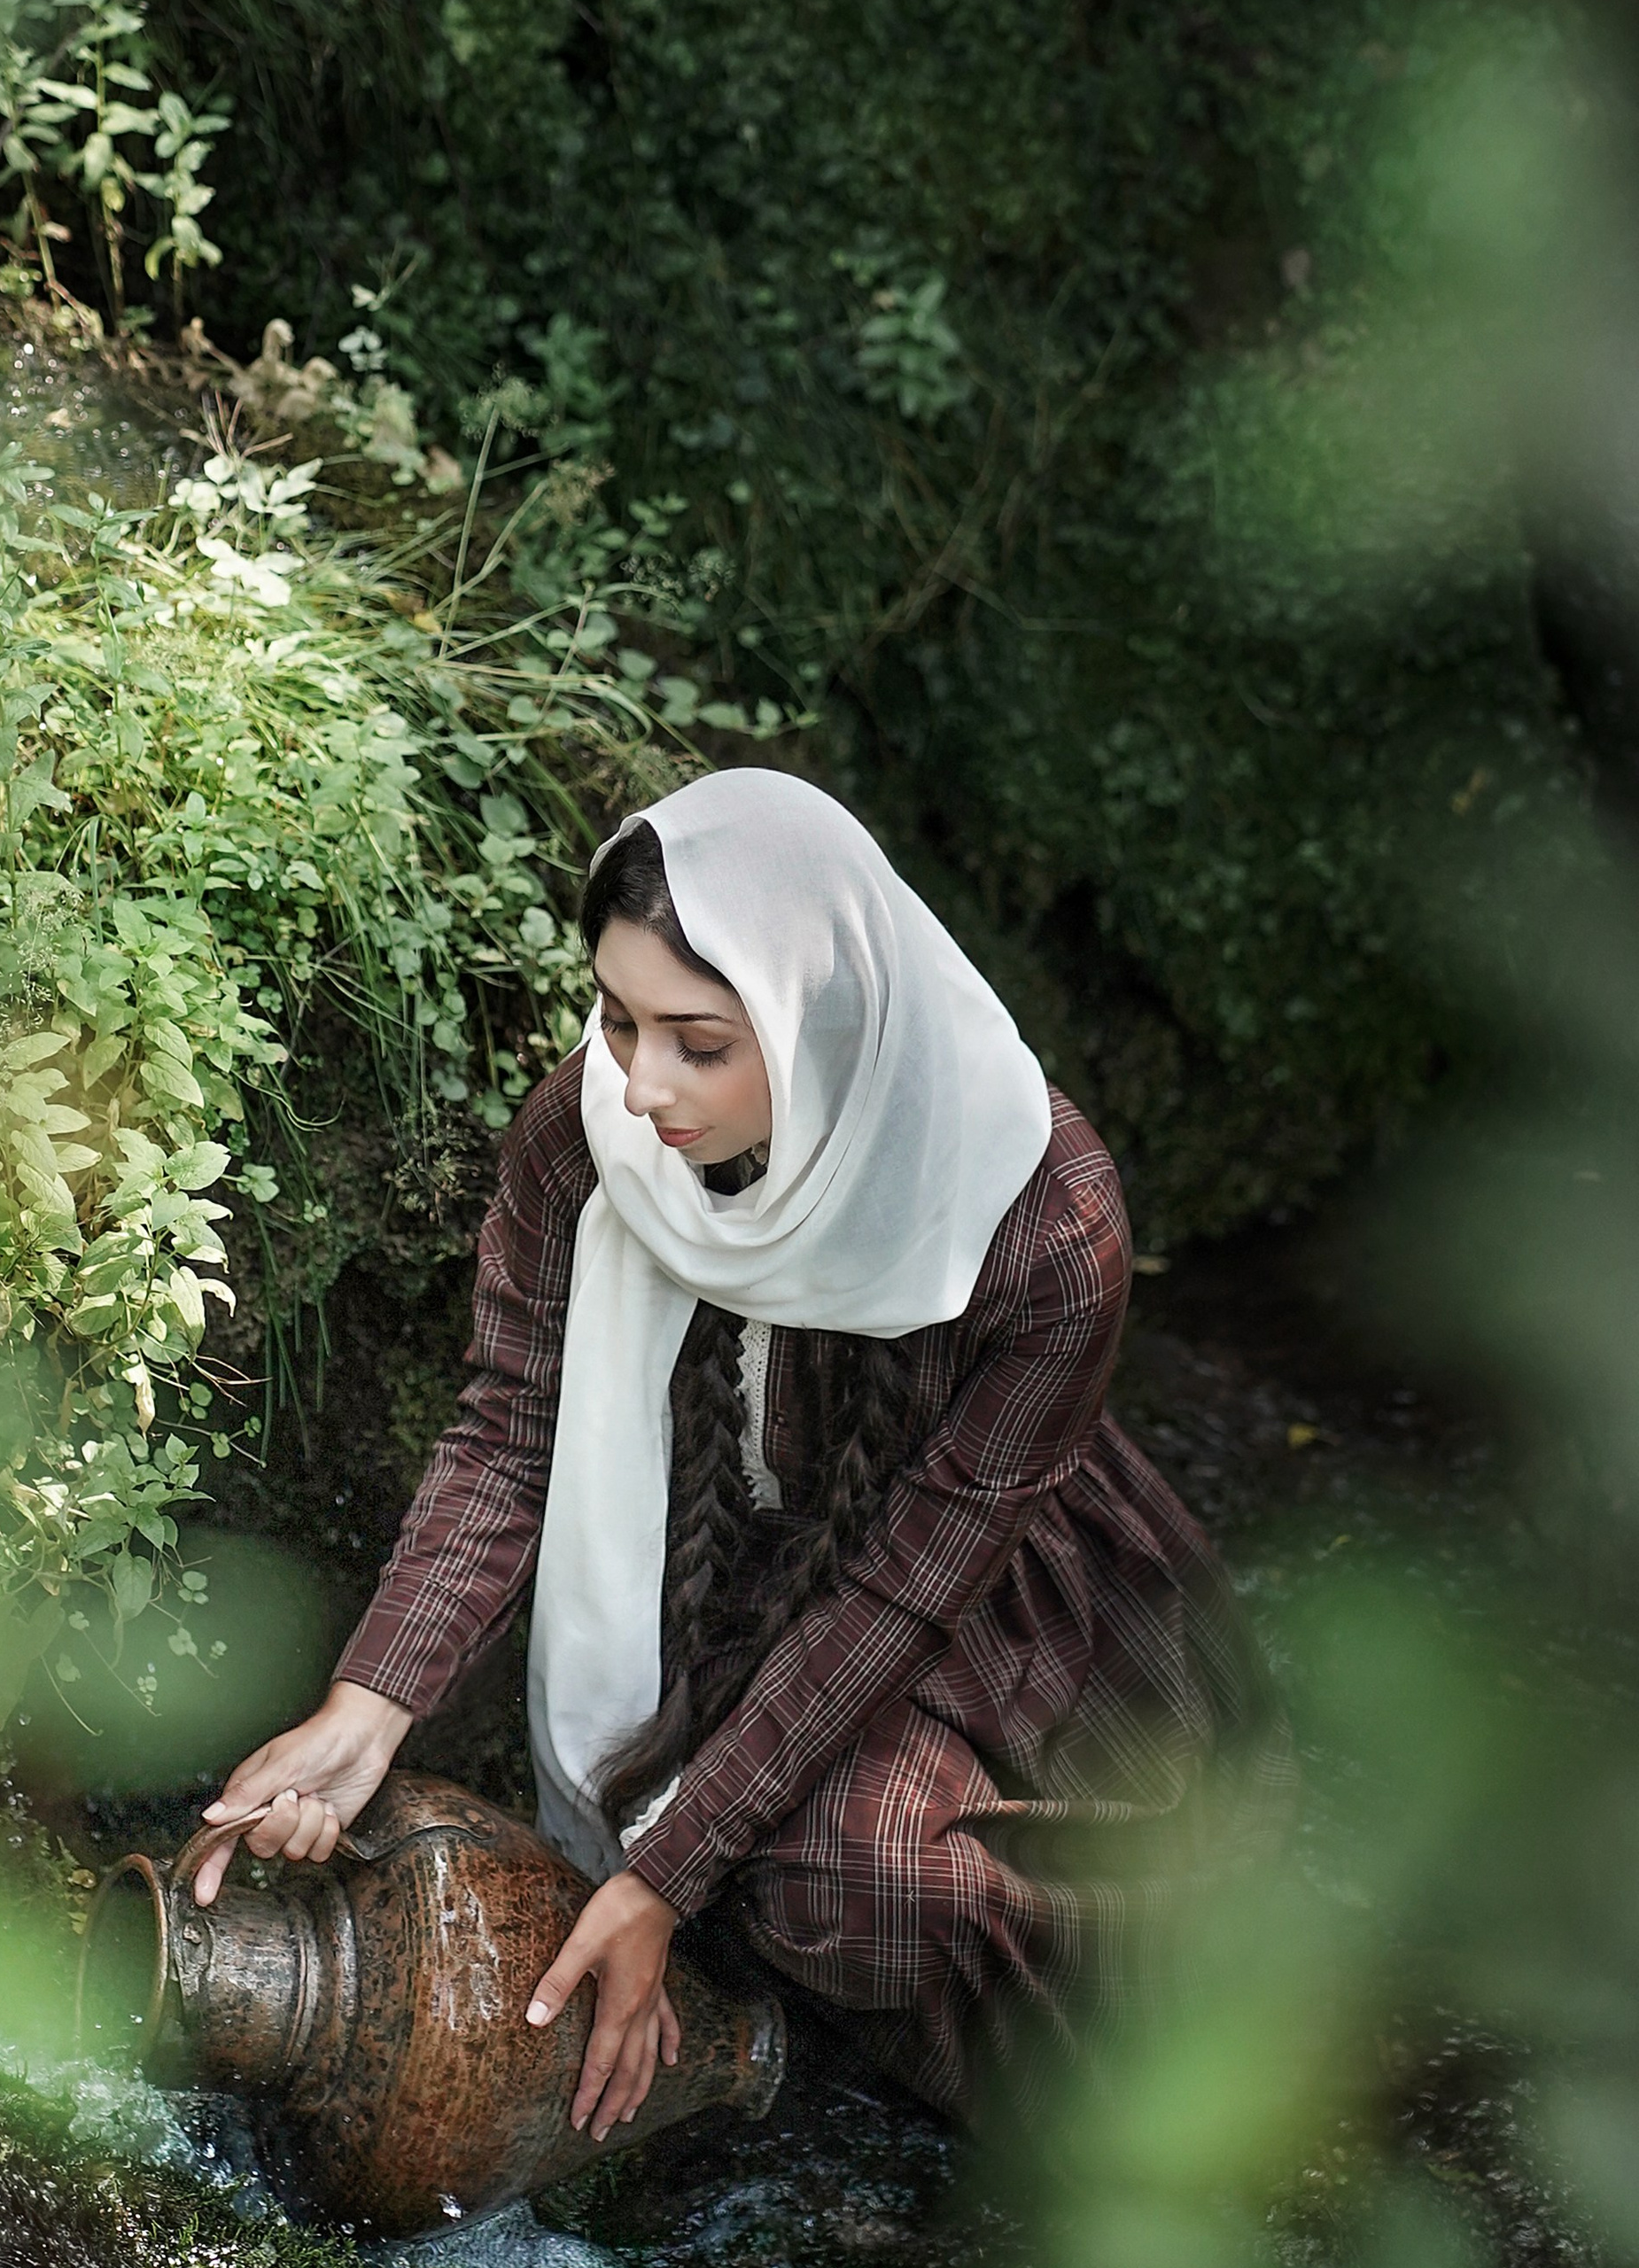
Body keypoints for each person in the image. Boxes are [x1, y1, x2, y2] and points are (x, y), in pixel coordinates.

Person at [191, 768, 1293, 2139]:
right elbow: (511, 1429)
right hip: (700, 1552)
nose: (638, 1084)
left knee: (853, 1887)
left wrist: (658, 1874)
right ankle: (774, 2038)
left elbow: (901, 1592)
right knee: (739, 1868)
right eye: (614, 1017)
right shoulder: (587, 1129)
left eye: (697, 1041)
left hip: (971, 1608)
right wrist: (368, 1707)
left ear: (821, 1019)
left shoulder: (1047, 1221)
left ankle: (1053, 2089)